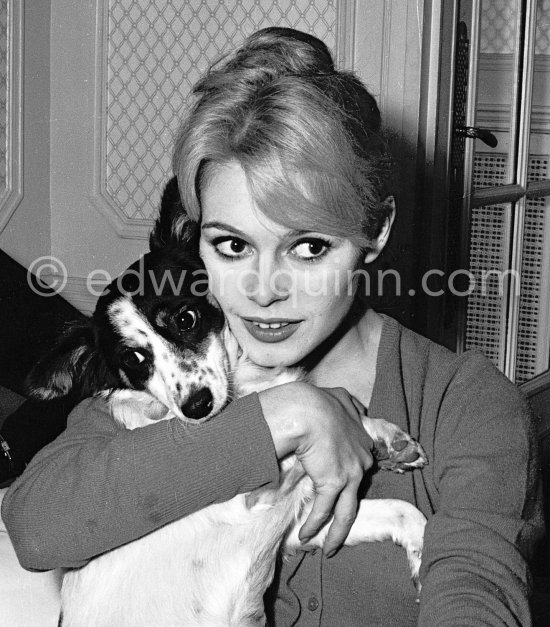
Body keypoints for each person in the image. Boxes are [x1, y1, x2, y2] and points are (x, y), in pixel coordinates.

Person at [1, 27, 543, 626]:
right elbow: (34, 526)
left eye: (309, 247)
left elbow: (478, 589)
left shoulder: (462, 402)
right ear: (194, 246)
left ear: (376, 232)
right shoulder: (142, 401)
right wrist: (286, 415)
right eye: (232, 244)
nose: (264, 289)